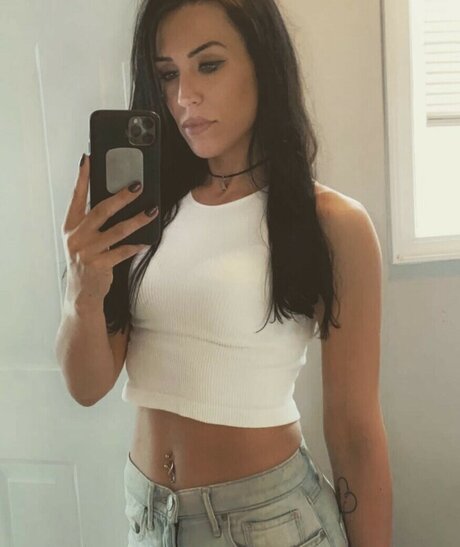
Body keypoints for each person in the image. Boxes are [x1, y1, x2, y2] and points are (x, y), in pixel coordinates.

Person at [58, 0, 391, 545]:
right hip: (148, 519)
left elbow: (354, 432)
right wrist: (81, 292)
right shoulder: (143, 212)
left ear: (263, 62)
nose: (183, 97)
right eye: (168, 74)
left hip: (268, 522)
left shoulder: (332, 224)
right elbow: (87, 386)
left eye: (208, 65)